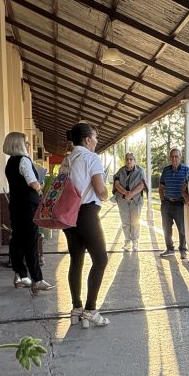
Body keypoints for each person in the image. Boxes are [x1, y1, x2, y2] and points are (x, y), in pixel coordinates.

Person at [62, 122, 110, 328]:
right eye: (95, 137)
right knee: (100, 259)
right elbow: (100, 190)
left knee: (76, 260)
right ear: (87, 139)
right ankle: (90, 310)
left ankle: (76, 308)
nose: (97, 141)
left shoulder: (67, 160)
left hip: (68, 216)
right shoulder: (91, 158)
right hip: (88, 214)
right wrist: (107, 194)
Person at [2, 131, 52, 293]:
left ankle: (21, 275)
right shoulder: (24, 160)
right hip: (28, 206)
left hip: (16, 205)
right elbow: (33, 183)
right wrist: (41, 185)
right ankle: (37, 279)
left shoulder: (10, 162)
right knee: (31, 242)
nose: (29, 145)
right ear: (18, 144)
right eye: (26, 142)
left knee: (17, 239)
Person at [159, 147, 189, 259]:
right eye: (172, 156)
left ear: (180, 157)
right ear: (169, 158)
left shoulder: (186, 170)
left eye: (176, 156)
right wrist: (163, 201)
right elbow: (161, 187)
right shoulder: (166, 170)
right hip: (167, 203)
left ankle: (182, 249)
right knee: (166, 228)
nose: (174, 159)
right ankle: (169, 249)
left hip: (180, 204)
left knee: (182, 229)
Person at [113, 151, 147, 252]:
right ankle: (127, 241)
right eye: (127, 159)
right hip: (123, 200)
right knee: (125, 222)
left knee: (135, 222)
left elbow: (142, 185)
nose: (129, 161)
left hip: (136, 200)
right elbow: (116, 184)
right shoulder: (120, 171)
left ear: (134, 161)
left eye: (131, 159)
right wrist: (125, 193)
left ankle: (135, 242)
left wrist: (131, 193)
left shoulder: (140, 171)